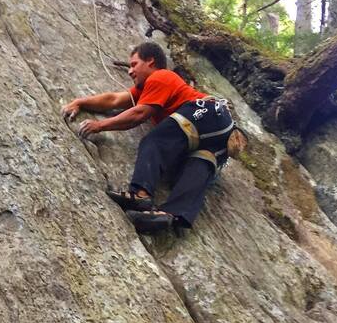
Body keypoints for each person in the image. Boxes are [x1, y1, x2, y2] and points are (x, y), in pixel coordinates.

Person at [62, 42, 237, 233]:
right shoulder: (144, 90)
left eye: (134, 64)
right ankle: (169, 215)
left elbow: (139, 114)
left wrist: (100, 125)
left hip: (206, 112)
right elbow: (113, 100)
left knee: (155, 141)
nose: (130, 71)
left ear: (151, 61)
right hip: (219, 139)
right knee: (198, 166)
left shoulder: (161, 76)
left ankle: (140, 194)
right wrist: (79, 102)